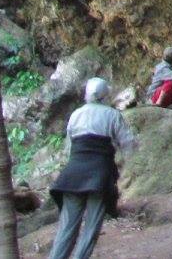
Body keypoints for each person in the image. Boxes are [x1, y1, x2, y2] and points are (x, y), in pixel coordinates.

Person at [48, 77, 136, 259]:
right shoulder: (112, 115)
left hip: (73, 175)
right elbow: (128, 144)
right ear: (106, 94)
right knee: (91, 229)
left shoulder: (76, 115)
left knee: (66, 228)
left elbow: (69, 148)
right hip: (99, 175)